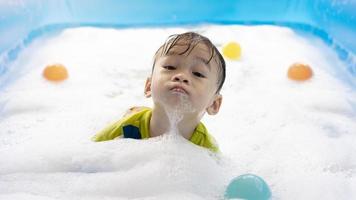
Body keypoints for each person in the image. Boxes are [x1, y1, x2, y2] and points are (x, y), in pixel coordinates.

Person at [92, 32, 226, 152]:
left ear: (214, 104)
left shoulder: (205, 149)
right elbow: (87, 153)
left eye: (197, 73)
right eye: (170, 67)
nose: (181, 76)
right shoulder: (127, 128)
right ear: (149, 86)